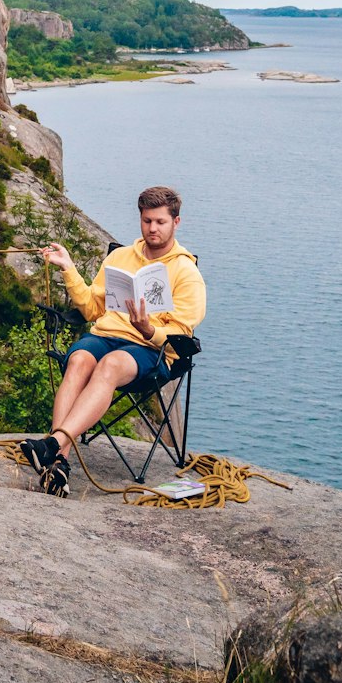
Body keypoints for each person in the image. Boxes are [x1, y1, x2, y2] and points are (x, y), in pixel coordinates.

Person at [20, 185, 206, 498]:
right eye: (147, 221)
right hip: (105, 335)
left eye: (160, 222)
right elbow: (92, 308)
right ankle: (60, 462)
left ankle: (52, 444)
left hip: (152, 350)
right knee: (78, 360)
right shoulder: (120, 257)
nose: (152, 228)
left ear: (176, 222)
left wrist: (148, 329)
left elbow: (180, 337)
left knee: (109, 365)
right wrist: (69, 268)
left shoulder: (186, 272)